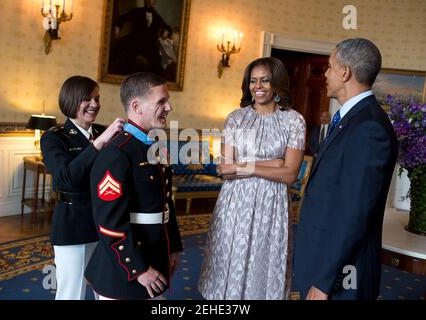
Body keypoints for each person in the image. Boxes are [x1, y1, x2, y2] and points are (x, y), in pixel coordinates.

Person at [292, 38, 398, 300]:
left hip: (342, 275)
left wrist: (325, 281)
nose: (325, 74)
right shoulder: (350, 119)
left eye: (329, 66)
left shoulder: (368, 127)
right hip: (325, 260)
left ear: (345, 71)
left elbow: (354, 213)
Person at [198, 57, 306, 300]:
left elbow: (289, 174)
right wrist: (274, 162)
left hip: (272, 205)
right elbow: (225, 169)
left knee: (263, 261)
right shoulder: (236, 118)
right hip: (235, 202)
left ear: (277, 83)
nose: (258, 86)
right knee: (229, 260)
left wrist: (242, 165)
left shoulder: (293, 121)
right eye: (253, 81)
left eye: (265, 80)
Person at [85, 72, 183, 300]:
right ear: (137, 106)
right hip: (124, 272)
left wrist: (173, 247)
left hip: (155, 257)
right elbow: (109, 223)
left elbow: (166, 202)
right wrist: (138, 269)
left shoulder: (154, 147)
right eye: (161, 101)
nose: (169, 107)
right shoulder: (117, 153)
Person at [40, 76, 125, 300]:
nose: (95, 104)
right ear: (71, 100)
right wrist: (99, 144)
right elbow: (67, 177)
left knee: (105, 289)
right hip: (72, 224)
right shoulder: (53, 138)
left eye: (97, 98)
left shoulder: (104, 131)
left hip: (106, 221)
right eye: (87, 99)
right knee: (72, 292)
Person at [109, 0, 170, 77]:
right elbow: (122, 18)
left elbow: (167, 27)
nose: (154, 1)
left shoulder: (156, 16)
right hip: (135, 41)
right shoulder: (137, 11)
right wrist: (117, 28)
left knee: (157, 63)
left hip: (149, 44)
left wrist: (166, 31)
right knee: (123, 55)